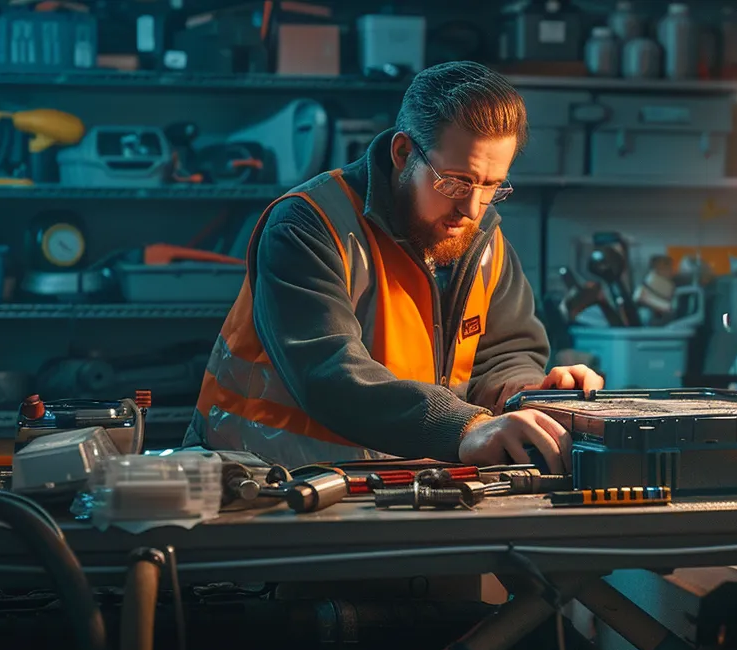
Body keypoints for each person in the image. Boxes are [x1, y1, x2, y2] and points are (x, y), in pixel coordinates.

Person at [187, 61, 603, 473]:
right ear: (404, 153)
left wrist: (526, 392)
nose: (472, 208)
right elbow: (330, 373)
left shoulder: (483, 241)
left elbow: (504, 353)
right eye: (455, 181)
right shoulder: (307, 225)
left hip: (395, 485)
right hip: (265, 482)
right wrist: (465, 429)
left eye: (492, 185)